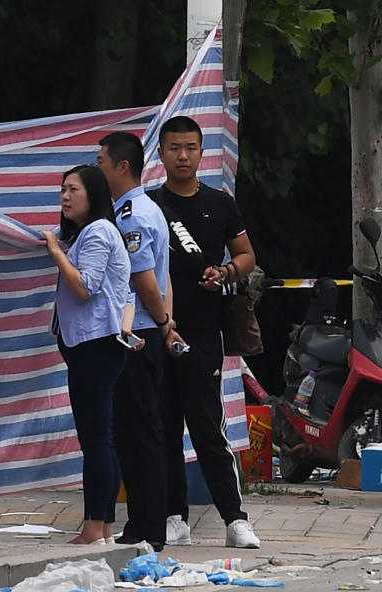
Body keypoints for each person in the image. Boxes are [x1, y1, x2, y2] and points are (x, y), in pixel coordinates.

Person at [147, 116, 261, 549]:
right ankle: (174, 516)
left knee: (208, 427)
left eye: (190, 147)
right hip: (158, 330)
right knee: (163, 426)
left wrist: (227, 272)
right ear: (160, 153)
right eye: (174, 147)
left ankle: (235, 519)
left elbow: (247, 254)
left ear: (201, 153)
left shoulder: (221, 203)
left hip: (204, 331)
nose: (182, 155)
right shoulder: (149, 206)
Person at [96, 132, 184, 552]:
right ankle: (146, 523)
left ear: (121, 166)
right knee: (136, 428)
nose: (98, 170)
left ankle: (149, 527)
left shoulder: (130, 214)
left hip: (140, 332)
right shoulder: (143, 208)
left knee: (140, 431)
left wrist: (165, 323)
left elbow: (145, 280)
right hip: (146, 328)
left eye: (101, 163)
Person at [43, 165, 131, 545]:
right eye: (62, 189)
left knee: (95, 441)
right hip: (94, 347)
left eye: (72, 190)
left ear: (92, 194)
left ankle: (94, 527)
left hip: (94, 348)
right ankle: (105, 525)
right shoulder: (89, 234)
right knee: (102, 439)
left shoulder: (98, 232)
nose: (64, 196)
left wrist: (54, 252)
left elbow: (85, 287)